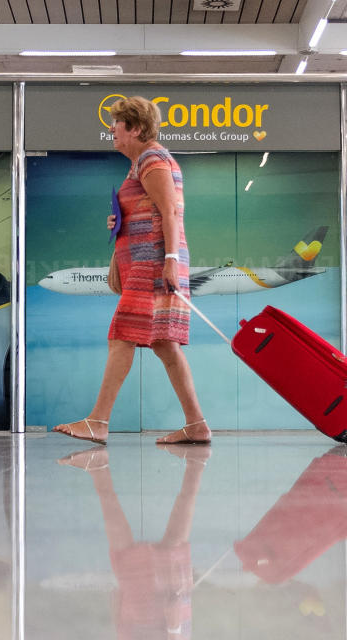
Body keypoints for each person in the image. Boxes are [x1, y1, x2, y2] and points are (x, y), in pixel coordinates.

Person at [54, 96, 210, 446]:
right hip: (146, 260)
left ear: (136, 128)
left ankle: (98, 421)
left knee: (121, 335)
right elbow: (142, 213)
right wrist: (116, 254)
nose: (112, 129)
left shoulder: (153, 158)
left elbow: (170, 211)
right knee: (165, 345)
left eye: (118, 123)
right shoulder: (140, 162)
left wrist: (170, 258)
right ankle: (197, 424)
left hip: (154, 262)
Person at [57, 444, 210, 639]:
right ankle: (196, 465)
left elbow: (121, 629)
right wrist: (174, 627)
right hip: (161, 616)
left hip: (138, 617)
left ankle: (97, 469)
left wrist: (118, 608)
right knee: (174, 542)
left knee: (126, 549)